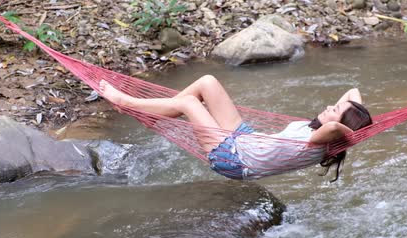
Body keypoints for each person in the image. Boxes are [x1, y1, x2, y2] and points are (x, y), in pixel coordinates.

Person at [99, 75, 372, 181]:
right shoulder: (327, 131)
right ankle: (149, 113)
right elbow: (353, 90)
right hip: (246, 139)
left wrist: (354, 131)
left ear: (340, 128)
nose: (329, 107)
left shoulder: (322, 139)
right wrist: (353, 115)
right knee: (207, 83)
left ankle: (125, 101)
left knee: (190, 103)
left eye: (335, 110)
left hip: (233, 157)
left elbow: (339, 126)